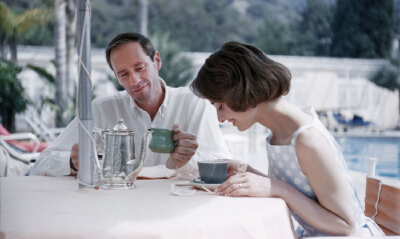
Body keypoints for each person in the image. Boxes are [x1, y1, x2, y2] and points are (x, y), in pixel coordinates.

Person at [190, 41, 384, 237]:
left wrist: (277, 188)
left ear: (243, 92)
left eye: (221, 106)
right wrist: (245, 169)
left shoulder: (307, 140)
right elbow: (300, 192)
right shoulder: (278, 134)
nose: (220, 118)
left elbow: (346, 226)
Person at [30, 32, 231, 176]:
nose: (134, 80)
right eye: (124, 74)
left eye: (140, 68)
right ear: (117, 78)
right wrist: (72, 163)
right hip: (117, 208)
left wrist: (187, 161)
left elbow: (222, 162)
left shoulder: (194, 103)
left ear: (157, 61)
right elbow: (42, 162)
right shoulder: (102, 109)